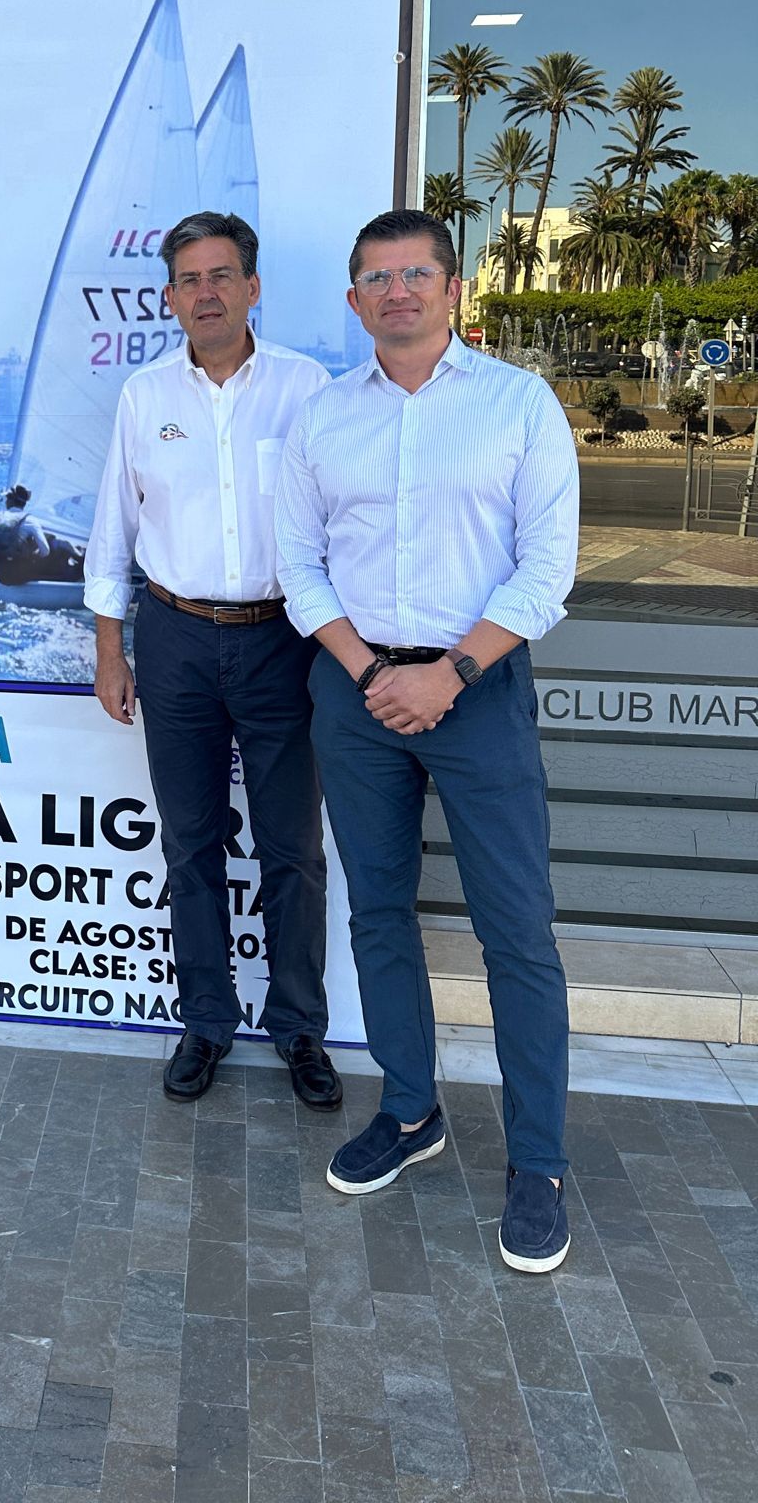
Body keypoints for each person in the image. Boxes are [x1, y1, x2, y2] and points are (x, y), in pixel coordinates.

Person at [275, 209, 578, 1274]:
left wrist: (448, 673)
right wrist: (371, 673)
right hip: (356, 688)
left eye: (416, 273)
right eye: (376, 276)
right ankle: (410, 1110)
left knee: (517, 931)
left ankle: (538, 1164)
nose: (396, 290)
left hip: (476, 687)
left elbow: (547, 569)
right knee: (379, 911)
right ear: (354, 300)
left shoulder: (518, 403)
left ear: (454, 287)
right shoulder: (323, 416)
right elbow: (299, 564)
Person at [86, 210, 342, 1110]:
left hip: (285, 640)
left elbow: (341, 519)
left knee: (292, 848)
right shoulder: (144, 396)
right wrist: (111, 648)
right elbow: (114, 529)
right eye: (189, 280)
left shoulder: (308, 387)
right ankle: (206, 1021)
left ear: (253, 287)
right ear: (170, 298)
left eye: (222, 275)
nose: (206, 293)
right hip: (176, 638)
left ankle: (299, 1026)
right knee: (190, 842)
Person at [0, 484, 85, 584]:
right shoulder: (29, 520)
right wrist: (32, 555)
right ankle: (81, 567)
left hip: (1, 575)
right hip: (21, 575)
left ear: (9, 501)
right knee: (59, 545)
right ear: (24, 503)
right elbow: (45, 551)